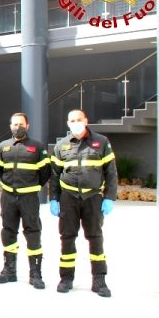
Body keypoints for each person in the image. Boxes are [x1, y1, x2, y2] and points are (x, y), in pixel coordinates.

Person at [49, 109, 118, 298]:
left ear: (86, 120)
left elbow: (111, 172)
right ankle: (66, 278)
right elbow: (54, 175)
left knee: (95, 238)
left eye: (79, 119)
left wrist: (109, 197)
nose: (76, 123)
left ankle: (99, 280)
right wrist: (53, 198)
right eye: (72, 120)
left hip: (93, 198)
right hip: (68, 198)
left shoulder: (101, 142)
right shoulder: (61, 146)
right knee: (67, 238)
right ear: (68, 123)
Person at [0, 112, 50, 290]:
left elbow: (45, 173)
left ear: (28, 126)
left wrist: (31, 188)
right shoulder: (3, 146)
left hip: (29, 198)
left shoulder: (38, 147)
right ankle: (9, 271)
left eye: (21, 124)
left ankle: (35, 273)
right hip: (8, 197)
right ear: (10, 126)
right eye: (15, 124)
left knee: (33, 232)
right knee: (8, 231)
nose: (18, 127)